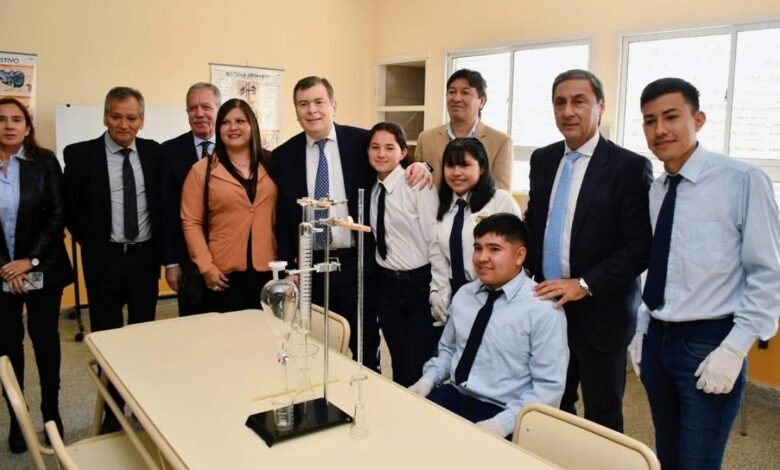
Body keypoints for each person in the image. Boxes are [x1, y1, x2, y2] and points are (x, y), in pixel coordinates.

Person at [628, 77, 780, 469]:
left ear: (698, 119)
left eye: (671, 117)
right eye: (649, 121)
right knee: (667, 456)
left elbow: (769, 274)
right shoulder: (659, 189)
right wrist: (643, 326)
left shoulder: (742, 180)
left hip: (710, 342)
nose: (660, 129)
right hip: (658, 339)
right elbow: (661, 266)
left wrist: (734, 348)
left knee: (698, 462)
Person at [272, 76, 431, 371]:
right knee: (313, 345)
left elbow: (392, 159)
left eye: (319, 102)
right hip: (310, 266)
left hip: (356, 264)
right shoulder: (283, 156)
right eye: (303, 104)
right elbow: (282, 218)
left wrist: (423, 165)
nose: (312, 110)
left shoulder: (361, 142)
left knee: (364, 347)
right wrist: (289, 265)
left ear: (333, 105)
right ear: (296, 111)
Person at [524, 69, 652, 432]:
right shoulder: (542, 160)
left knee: (602, 414)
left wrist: (584, 283)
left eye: (579, 101)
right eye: (560, 102)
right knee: (550, 404)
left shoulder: (629, 167)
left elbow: (639, 247)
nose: (568, 111)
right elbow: (535, 223)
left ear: (601, 106)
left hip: (602, 311)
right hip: (548, 306)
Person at [409, 213, 568, 438]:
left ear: (519, 256)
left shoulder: (543, 310)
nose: (482, 258)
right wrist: (429, 378)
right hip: (455, 393)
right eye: (478, 248)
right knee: (406, 434)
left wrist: (500, 425)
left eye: (494, 249)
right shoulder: (464, 295)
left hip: (506, 409)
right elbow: (449, 350)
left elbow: (547, 388)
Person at [63, 86, 162, 432]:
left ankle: (141, 407)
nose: (124, 124)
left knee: (142, 338)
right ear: (105, 117)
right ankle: (112, 413)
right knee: (107, 341)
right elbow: (71, 210)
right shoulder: (80, 155)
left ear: (141, 120)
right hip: (104, 262)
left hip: (144, 260)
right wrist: (94, 244)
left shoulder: (153, 153)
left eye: (131, 117)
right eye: (116, 116)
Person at [0, 98, 73, 452]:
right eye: (1, 119)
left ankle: (50, 412)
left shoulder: (44, 161)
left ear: (27, 127)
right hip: (2, 272)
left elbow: (58, 215)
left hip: (43, 267)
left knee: (45, 340)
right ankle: (18, 419)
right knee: (7, 346)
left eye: (16, 119)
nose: (8, 125)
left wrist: (28, 261)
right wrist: (6, 266)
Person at [181, 98, 277, 312]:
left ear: (252, 125)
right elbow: (191, 222)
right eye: (225, 122)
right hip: (222, 273)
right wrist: (206, 267)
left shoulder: (272, 163)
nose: (233, 127)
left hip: (268, 271)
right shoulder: (202, 170)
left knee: (266, 330)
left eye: (240, 121)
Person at [367, 122, 439, 386]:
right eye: (375, 147)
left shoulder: (418, 184)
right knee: (397, 359)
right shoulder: (372, 189)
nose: (381, 154)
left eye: (389, 148)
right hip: (386, 283)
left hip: (418, 283)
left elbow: (435, 240)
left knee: (418, 363)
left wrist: (438, 288)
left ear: (403, 152)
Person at [429, 137, 520, 323]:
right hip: (452, 295)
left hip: (493, 293)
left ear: (482, 168)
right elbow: (437, 255)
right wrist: (437, 292)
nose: (456, 173)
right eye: (450, 165)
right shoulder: (440, 205)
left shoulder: (500, 201)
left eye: (465, 165)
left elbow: (515, 252)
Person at [161, 82, 221, 315]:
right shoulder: (169, 152)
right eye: (192, 108)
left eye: (206, 107)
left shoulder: (235, 148)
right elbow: (165, 211)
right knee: (193, 325)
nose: (199, 113)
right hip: (187, 262)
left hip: (228, 258)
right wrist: (171, 262)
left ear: (218, 110)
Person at [416, 69, 513, 190]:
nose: (456, 98)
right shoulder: (426, 139)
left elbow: (502, 193)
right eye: (452, 92)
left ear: (482, 102)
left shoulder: (500, 142)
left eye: (465, 92)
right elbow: (416, 186)